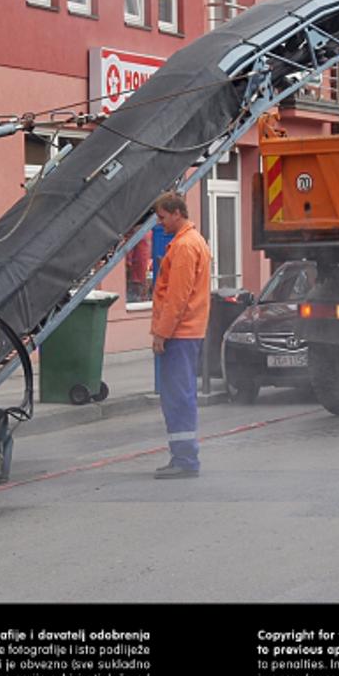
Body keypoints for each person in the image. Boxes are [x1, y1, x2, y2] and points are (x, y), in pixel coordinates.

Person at [149, 192, 211, 479]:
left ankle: (185, 460)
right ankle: (182, 456)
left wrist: (161, 334)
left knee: (178, 397)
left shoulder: (185, 247)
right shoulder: (190, 242)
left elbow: (176, 298)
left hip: (180, 333)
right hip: (187, 331)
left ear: (176, 213)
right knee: (179, 394)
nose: (160, 223)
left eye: (162, 217)